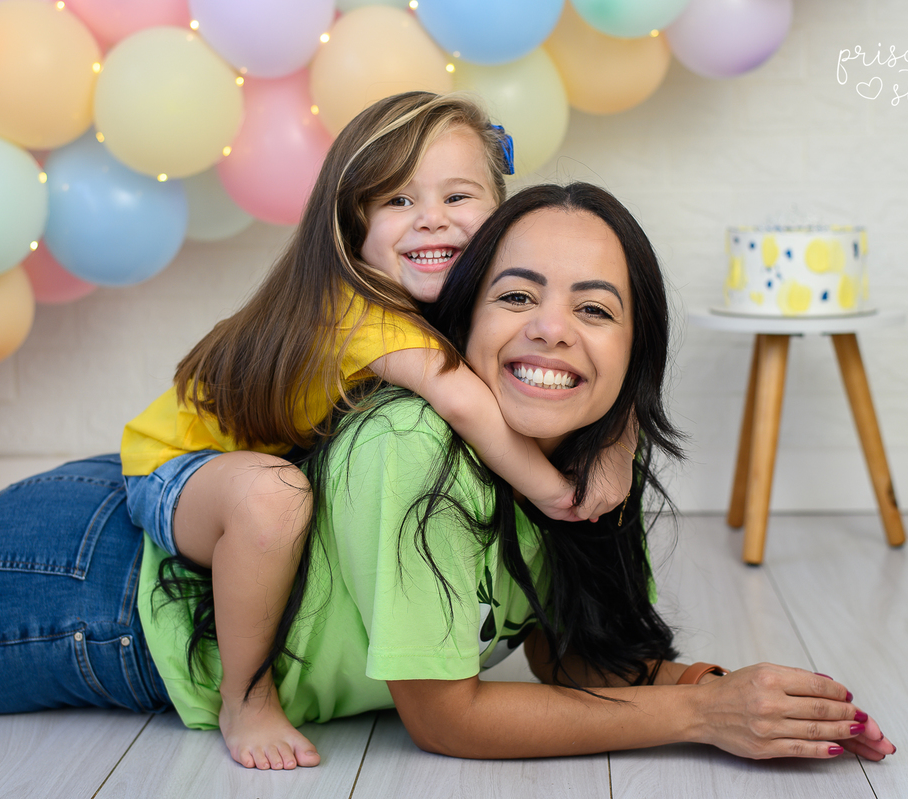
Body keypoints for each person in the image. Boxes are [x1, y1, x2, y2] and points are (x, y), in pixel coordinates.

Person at [0, 183, 896, 768]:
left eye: (595, 307)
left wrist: (746, 701)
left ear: (635, 350)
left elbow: (574, 662)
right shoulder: (417, 447)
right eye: (517, 295)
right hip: (100, 586)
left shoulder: (585, 467)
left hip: (155, 537)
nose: (551, 330)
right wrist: (693, 722)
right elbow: (444, 717)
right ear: (463, 322)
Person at [118, 93, 635, 769]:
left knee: (281, 489)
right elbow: (468, 405)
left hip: (246, 454)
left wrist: (620, 436)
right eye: (397, 202)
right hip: (174, 466)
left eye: (459, 196)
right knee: (272, 499)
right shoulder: (360, 313)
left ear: (501, 214)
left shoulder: (459, 303)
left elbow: (572, 375)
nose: (432, 221)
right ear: (353, 225)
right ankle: (245, 699)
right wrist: (558, 493)